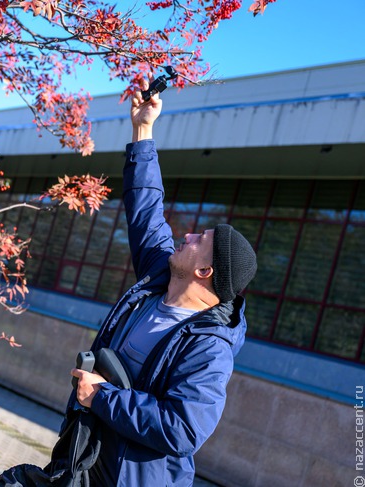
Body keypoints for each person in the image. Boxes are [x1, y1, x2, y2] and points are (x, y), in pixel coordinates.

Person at [69, 77, 258, 486]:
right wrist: (143, 129)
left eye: (198, 241)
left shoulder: (210, 347)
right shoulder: (159, 279)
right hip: (86, 458)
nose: (186, 235)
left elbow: (182, 429)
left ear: (204, 272)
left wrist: (102, 397)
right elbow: (147, 211)